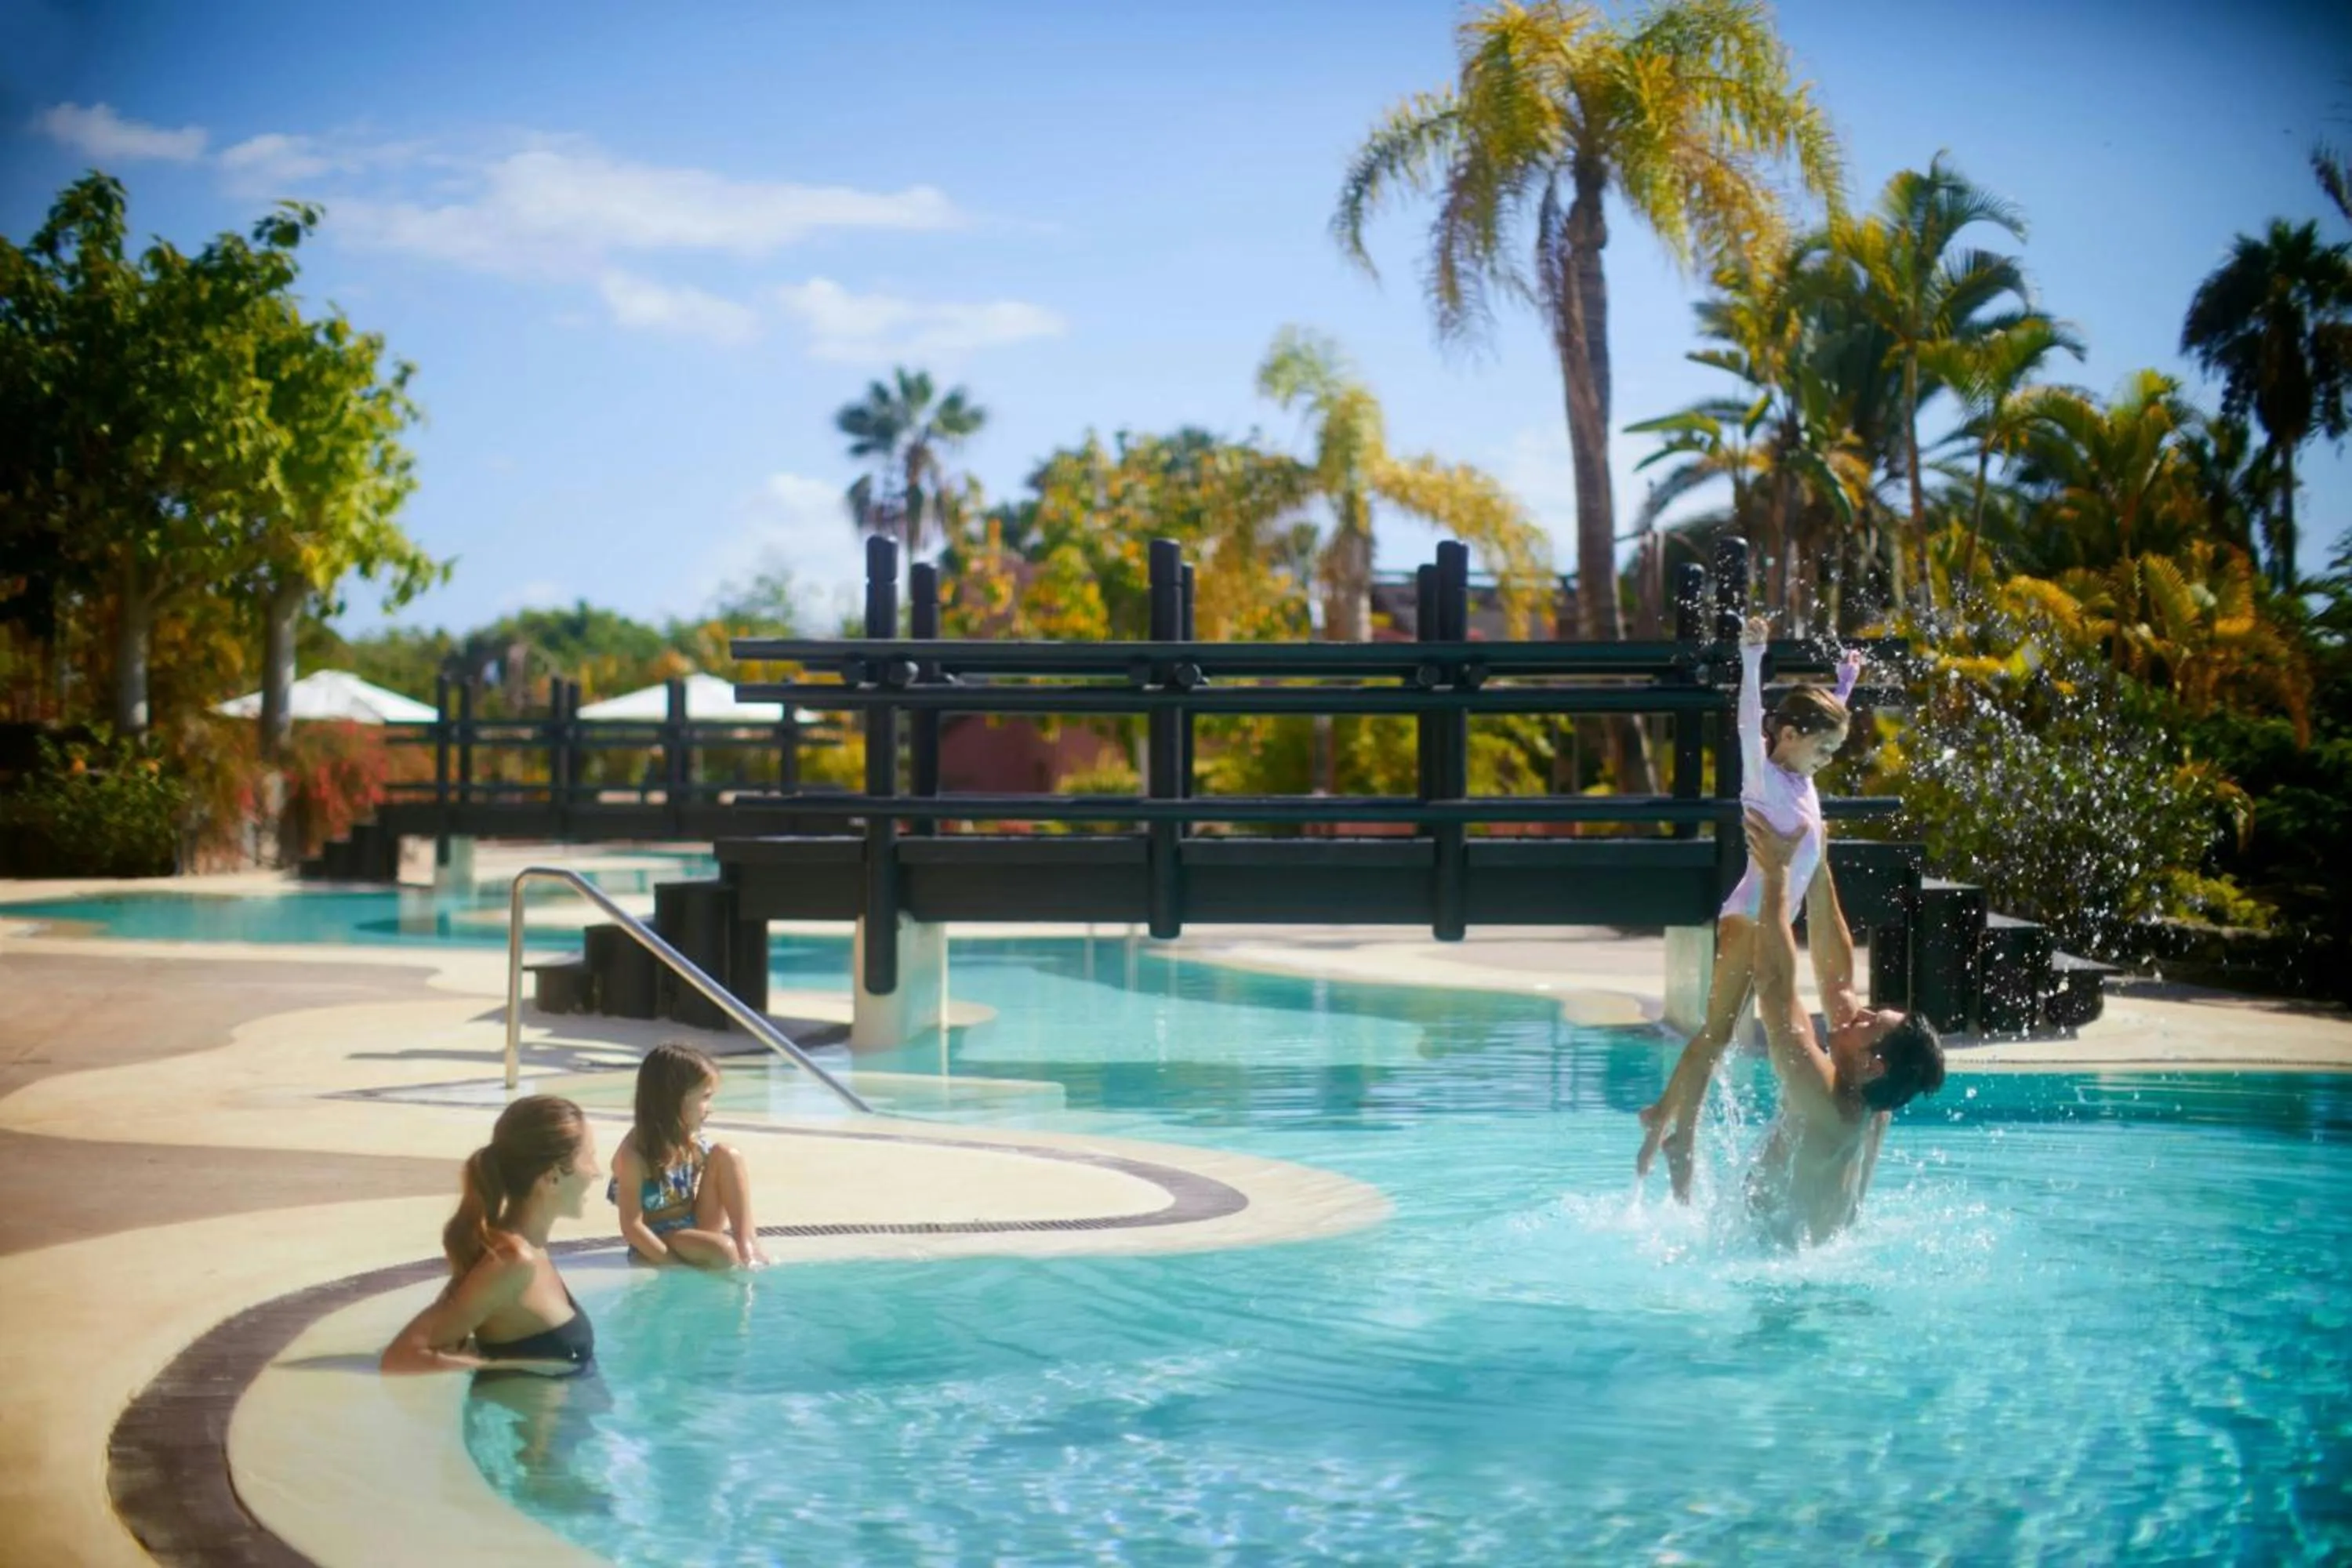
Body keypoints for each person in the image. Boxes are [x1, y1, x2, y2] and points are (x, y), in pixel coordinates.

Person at [1637, 613, 1864, 1200]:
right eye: (1824, 748)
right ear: (1788, 736)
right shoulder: (1763, 776)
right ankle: (1675, 1129)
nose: (1829, 760)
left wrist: (1844, 685)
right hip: (1747, 918)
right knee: (1715, 1035)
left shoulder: (1801, 777)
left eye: (1834, 750)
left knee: (1720, 1037)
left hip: (1768, 919)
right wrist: (1754, 656)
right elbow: (1749, 719)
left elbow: (1820, 716)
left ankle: (1668, 1120)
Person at [1738, 806, 1946, 1244]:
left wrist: (1775, 873)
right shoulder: (1877, 1101)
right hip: (1824, 1253)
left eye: (1871, 1023)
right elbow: (1838, 982)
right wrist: (1816, 860)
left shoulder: (1828, 1104)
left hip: (1778, 1269)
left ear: (1874, 1064)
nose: (1860, 1012)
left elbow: (1775, 989)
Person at [381, 1095, 601, 1377]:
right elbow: (402, 1356)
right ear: (553, 1176)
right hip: (529, 1418)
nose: (597, 1173)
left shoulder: (531, 1249)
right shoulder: (512, 1262)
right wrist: (514, 1366)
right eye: (590, 1158)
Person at [610, 1040, 768, 1269]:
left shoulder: (689, 1138)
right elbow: (632, 1228)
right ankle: (727, 1252)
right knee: (724, 1250)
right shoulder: (634, 1156)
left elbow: (722, 1179)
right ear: (676, 1100)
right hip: (655, 1239)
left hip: (693, 1226)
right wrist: (675, 1266)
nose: (710, 1107)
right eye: (705, 1097)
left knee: (727, 1154)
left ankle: (749, 1248)